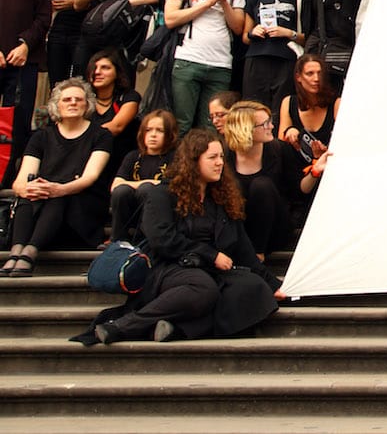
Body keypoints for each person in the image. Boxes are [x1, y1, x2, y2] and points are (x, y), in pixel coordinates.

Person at [86, 129, 282, 344]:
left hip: (209, 270)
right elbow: (162, 239)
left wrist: (276, 286)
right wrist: (211, 255)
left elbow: (244, 250)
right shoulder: (161, 194)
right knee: (203, 287)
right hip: (168, 266)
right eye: (212, 157)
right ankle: (123, 326)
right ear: (193, 161)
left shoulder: (222, 198)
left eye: (221, 157)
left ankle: (177, 329)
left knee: (251, 287)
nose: (219, 163)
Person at [2, 79, 112, 277]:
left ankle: (30, 252)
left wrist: (58, 189)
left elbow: (90, 177)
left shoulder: (101, 136)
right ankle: (17, 250)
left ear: (87, 104)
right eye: (67, 99)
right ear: (56, 105)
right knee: (27, 196)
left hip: (81, 209)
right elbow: (20, 181)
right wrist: (25, 189)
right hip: (42, 208)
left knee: (56, 196)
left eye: (78, 99)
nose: (73, 103)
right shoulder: (41, 137)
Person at [164, 0, 247, 135]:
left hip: (220, 63)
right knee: (182, 124)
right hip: (188, 59)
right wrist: (208, 3)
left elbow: (238, 26)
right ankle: (180, 168)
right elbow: (170, 18)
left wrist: (223, 3)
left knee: (212, 128)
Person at [0, 0, 52, 185]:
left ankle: (8, 183)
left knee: (18, 124)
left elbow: (44, 18)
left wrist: (24, 44)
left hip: (24, 60)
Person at [223, 100, 304, 257]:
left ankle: (258, 253)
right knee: (232, 188)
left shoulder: (279, 149)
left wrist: (315, 172)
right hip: (240, 228)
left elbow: (298, 190)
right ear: (246, 130)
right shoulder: (225, 154)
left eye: (270, 121)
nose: (271, 126)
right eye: (265, 124)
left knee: (262, 185)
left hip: (274, 226)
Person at [241, 0, 304, 109]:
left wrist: (288, 33)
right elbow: (245, 37)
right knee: (252, 109)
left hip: (286, 60)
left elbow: (308, 37)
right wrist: (253, 32)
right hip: (257, 58)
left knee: (279, 109)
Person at [109, 109, 177, 243]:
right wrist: (147, 183)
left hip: (160, 212)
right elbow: (115, 186)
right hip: (132, 211)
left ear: (170, 134)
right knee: (121, 191)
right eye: (148, 130)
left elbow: (170, 187)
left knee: (147, 189)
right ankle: (117, 240)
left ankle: (143, 239)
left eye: (160, 131)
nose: (153, 135)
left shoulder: (175, 157)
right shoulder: (133, 156)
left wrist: (144, 185)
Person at [87, 49, 141, 185]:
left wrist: (82, 136)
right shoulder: (83, 99)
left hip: (120, 165)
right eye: (95, 68)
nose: (98, 72)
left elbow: (116, 127)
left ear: (117, 72)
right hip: (88, 161)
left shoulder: (129, 97)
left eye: (105, 68)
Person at [278, 53, 339, 166]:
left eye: (319, 73)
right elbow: (280, 143)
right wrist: (290, 131)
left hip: (329, 164)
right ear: (298, 77)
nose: (316, 79)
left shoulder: (336, 103)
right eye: (309, 74)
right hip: (297, 166)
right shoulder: (288, 102)